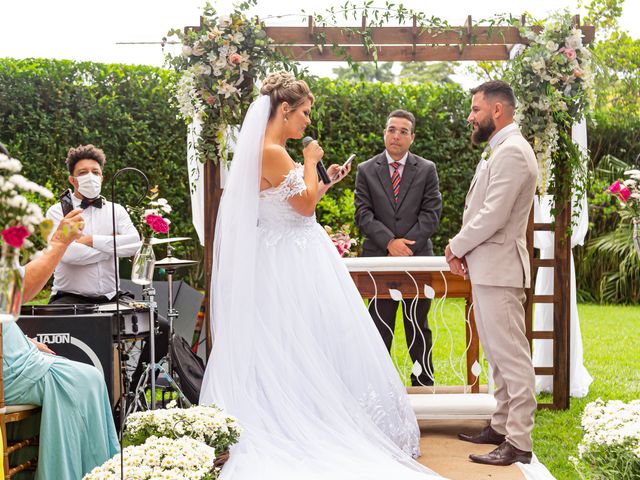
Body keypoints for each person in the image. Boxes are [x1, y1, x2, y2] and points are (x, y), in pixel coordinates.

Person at [199, 72, 438, 479]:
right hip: (289, 260)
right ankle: (305, 420)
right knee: (304, 340)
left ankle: (304, 409)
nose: (308, 122)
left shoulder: (270, 151)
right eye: (305, 113)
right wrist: (311, 162)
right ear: (285, 109)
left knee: (301, 343)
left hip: (287, 255)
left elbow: (297, 202)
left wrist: (326, 182)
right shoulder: (274, 151)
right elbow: (305, 208)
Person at [445, 80, 537, 466]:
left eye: (476, 109)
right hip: (489, 267)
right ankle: (500, 426)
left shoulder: (513, 151)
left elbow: (493, 215)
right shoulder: (501, 148)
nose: (471, 116)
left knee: (512, 357)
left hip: (499, 269)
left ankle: (519, 440)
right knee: (498, 356)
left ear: (497, 110)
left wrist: (456, 245)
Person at [3, 208, 120, 480]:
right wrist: (59, 243)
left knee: (84, 376)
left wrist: (26, 341)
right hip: (9, 372)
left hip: (14, 358)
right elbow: (13, 292)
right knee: (84, 380)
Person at [44, 144, 167, 390]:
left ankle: (134, 390)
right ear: (72, 179)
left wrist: (91, 241)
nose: (90, 176)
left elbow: (134, 245)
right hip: (70, 299)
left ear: (103, 176)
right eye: (83, 172)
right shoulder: (58, 212)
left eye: (95, 171)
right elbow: (68, 255)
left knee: (161, 328)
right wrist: (112, 248)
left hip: (111, 299)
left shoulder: (116, 211)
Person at [355, 110, 442, 386]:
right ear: (384, 133)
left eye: (403, 131)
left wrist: (406, 247)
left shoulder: (427, 169)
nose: (396, 135)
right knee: (379, 327)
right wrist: (389, 243)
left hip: (417, 261)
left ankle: (423, 383)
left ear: (412, 137)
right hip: (379, 262)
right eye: (392, 129)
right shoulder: (366, 170)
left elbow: (432, 213)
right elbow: (363, 213)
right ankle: (378, 387)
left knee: (418, 325)